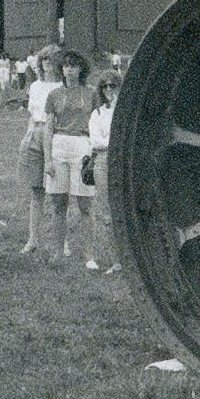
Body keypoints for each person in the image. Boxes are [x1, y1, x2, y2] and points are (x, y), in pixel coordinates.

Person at [42, 49, 95, 259]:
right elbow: (48, 128)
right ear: (61, 69)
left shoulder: (91, 93)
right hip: (59, 144)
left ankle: (89, 255)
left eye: (74, 65)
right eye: (66, 66)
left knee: (85, 203)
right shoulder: (54, 95)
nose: (69, 69)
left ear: (81, 69)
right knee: (58, 203)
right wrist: (47, 159)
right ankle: (57, 252)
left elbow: (98, 122)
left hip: (82, 144)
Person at [19, 44, 61, 254]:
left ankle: (61, 241)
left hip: (55, 134)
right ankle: (33, 239)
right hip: (36, 132)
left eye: (52, 60)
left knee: (57, 191)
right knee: (36, 191)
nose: (48, 64)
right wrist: (28, 137)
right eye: (44, 60)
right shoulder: (35, 86)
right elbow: (32, 115)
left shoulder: (62, 86)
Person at [86, 69, 122, 275]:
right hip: (104, 161)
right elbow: (96, 140)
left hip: (122, 161)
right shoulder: (97, 114)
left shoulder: (124, 113)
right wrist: (115, 142)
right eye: (105, 86)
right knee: (107, 211)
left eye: (113, 85)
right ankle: (116, 260)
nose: (109, 89)